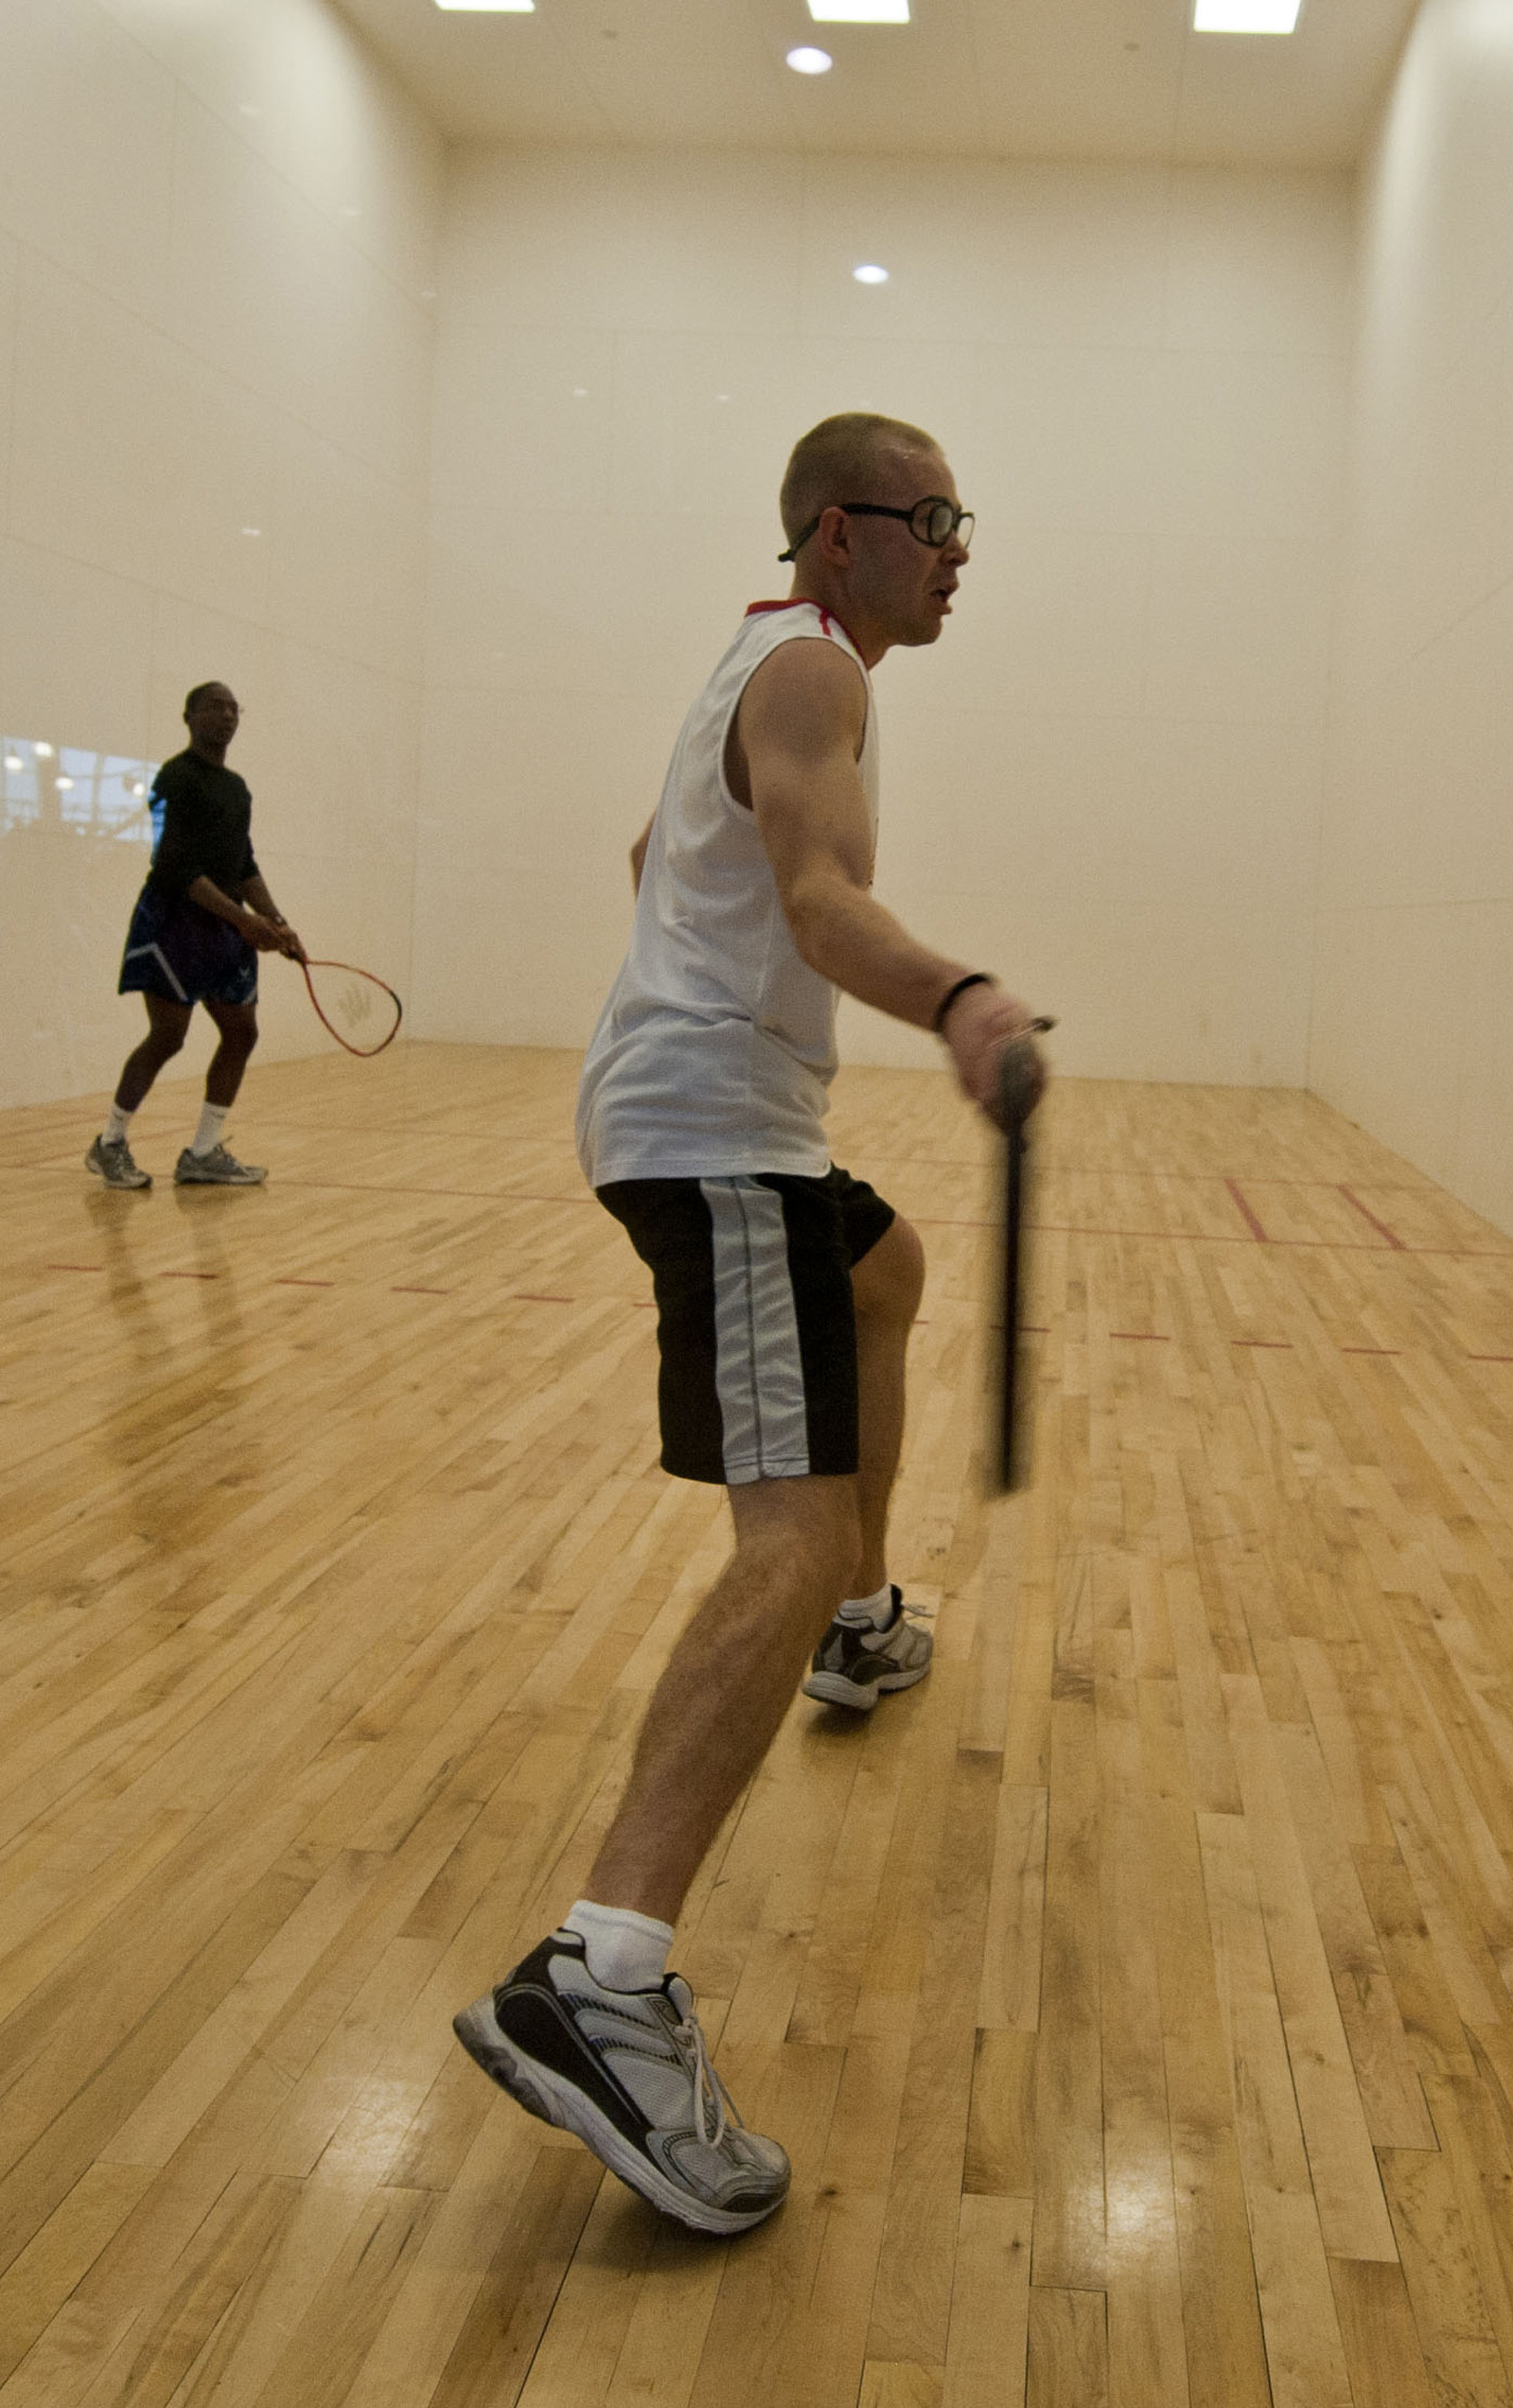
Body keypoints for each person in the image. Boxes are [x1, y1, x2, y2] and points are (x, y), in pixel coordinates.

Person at [449, 413, 1049, 2234]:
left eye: (967, 518)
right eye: (935, 519)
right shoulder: (809, 677)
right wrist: (953, 998)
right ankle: (603, 1975)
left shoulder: (771, 662)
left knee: (882, 1270)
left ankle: (865, 1627)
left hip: (719, 1112)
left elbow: (656, 842)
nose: (962, 549)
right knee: (776, 1538)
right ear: (838, 532)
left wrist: (703, 966)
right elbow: (816, 895)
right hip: (711, 1133)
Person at [90, 681, 304, 1190]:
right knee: (169, 1036)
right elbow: (174, 865)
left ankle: (203, 1153)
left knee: (242, 1032)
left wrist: (277, 921)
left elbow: (243, 862)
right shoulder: (174, 778)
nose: (227, 716)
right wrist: (243, 920)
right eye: (215, 707)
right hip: (173, 921)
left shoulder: (237, 788)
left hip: (227, 927)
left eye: (234, 708)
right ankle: (109, 1143)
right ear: (189, 717)